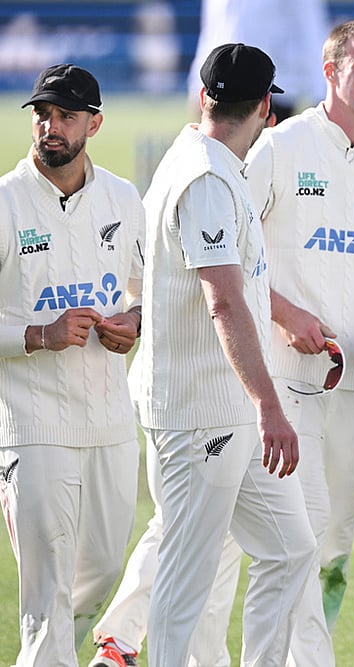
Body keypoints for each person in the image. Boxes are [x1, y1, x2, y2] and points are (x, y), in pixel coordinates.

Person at [130, 43, 316, 667]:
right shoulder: (205, 177)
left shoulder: (211, 163)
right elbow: (225, 304)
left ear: (205, 95)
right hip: (197, 413)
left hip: (232, 409)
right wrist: (270, 404)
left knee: (290, 550)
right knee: (187, 578)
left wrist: (258, 405)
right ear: (267, 107)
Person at [243, 18, 354, 664]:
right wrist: (285, 313)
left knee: (335, 546)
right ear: (330, 71)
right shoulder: (279, 149)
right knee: (303, 534)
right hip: (287, 379)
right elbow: (230, 260)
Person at [0, 63, 144, 667]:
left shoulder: (122, 197)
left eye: (65, 116)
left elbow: (146, 291)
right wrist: (39, 333)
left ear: (95, 123)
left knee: (105, 570)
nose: (50, 127)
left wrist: (135, 323)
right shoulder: (6, 203)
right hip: (33, 428)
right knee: (48, 591)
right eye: (42, 114)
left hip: (111, 421)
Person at [187, 0, 327, 122]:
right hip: (222, 83)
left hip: (273, 89)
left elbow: (310, 30)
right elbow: (213, 30)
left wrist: (320, 93)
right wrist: (196, 84)